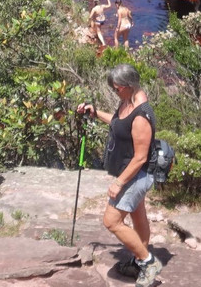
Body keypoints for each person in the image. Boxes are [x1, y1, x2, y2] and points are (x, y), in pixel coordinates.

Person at [76, 64, 162, 287]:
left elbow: (141, 158)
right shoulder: (127, 102)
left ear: (128, 86)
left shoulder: (141, 115)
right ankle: (137, 261)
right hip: (130, 172)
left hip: (136, 175)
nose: (114, 91)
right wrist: (95, 113)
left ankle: (148, 262)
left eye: (116, 88)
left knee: (112, 221)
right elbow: (118, 123)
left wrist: (119, 182)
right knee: (137, 215)